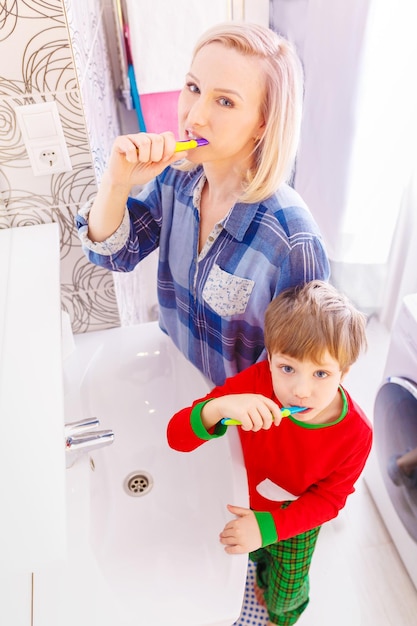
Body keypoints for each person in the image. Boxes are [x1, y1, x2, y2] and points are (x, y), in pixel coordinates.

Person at [76, 22, 330, 386]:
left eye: (225, 101)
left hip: (236, 421)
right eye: (193, 87)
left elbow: (300, 378)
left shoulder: (293, 242)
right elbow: (114, 255)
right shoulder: (176, 179)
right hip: (178, 376)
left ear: (263, 122)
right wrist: (116, 182)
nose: (194, 116)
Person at [167, 280, 372, 625]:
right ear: (271, 357)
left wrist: (269, 528)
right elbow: (177, 438)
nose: (300, 391)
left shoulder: (356, 434)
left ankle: (281, 617)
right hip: (244, 503)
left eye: (321, 373)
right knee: (257, 559)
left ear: (344, 373)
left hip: (295, 523)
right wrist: (219, 406)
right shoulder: (257, 382)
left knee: (286, 590)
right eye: (287, 368)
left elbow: (329, 501)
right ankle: (261, 574)